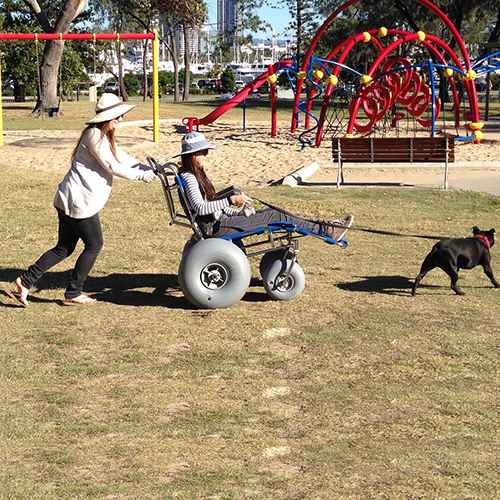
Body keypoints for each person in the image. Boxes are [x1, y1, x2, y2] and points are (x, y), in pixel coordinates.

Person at [4, 93, 156, 307]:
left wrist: (145, 167)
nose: (119, 120)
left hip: (70, 197)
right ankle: (74, 291)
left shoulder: (102, 135)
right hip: (79, 201)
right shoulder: (94, 135)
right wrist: (141, 176)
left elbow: (120, 156)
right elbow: (111, 165)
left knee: (63, 248)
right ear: (107, 117)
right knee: (94, 245)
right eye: (117, 117)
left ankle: (25, 280)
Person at [176, 131, 353, 241]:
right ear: (192, 155)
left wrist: (236, 212)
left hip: (221, 222)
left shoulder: (195, 174)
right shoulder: (190, 177)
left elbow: (214, 209)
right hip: (217, 228)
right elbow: (200, 208)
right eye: (204, 152)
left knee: (279, 213)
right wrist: (231, 199)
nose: (208, 155)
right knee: (277, 215)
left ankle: (324, 226)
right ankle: (326, 230)